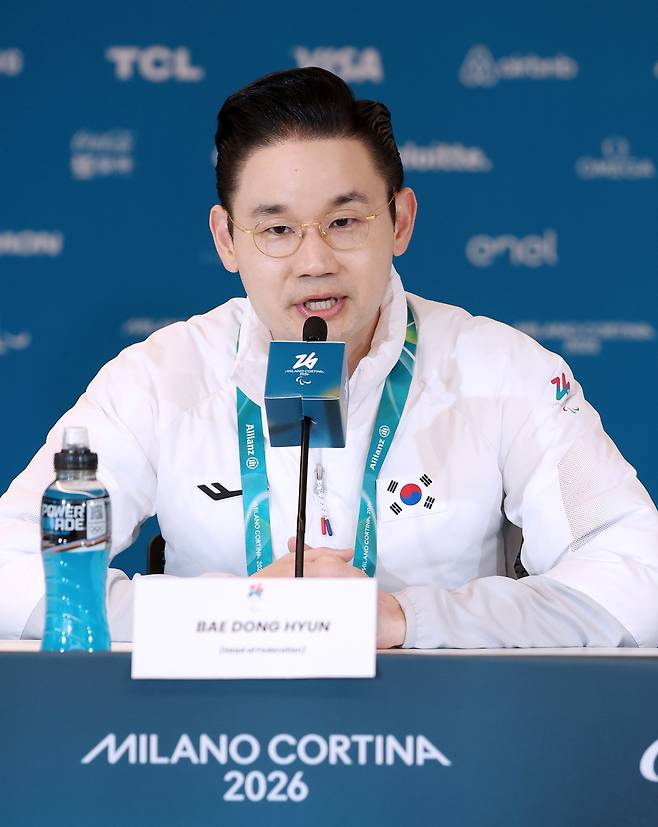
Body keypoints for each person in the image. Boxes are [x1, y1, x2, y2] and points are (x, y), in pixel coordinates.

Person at [1, 67, 657, 648]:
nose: (314, 261)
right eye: (277, 229)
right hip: (206, 735)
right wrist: (221, 616)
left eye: (344, 222)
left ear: (400, 221)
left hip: (448, 736)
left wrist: (405, 619)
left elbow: (637, 572)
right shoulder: (158, 378)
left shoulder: (506, 373)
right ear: (227, 240)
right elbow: (13, 562)